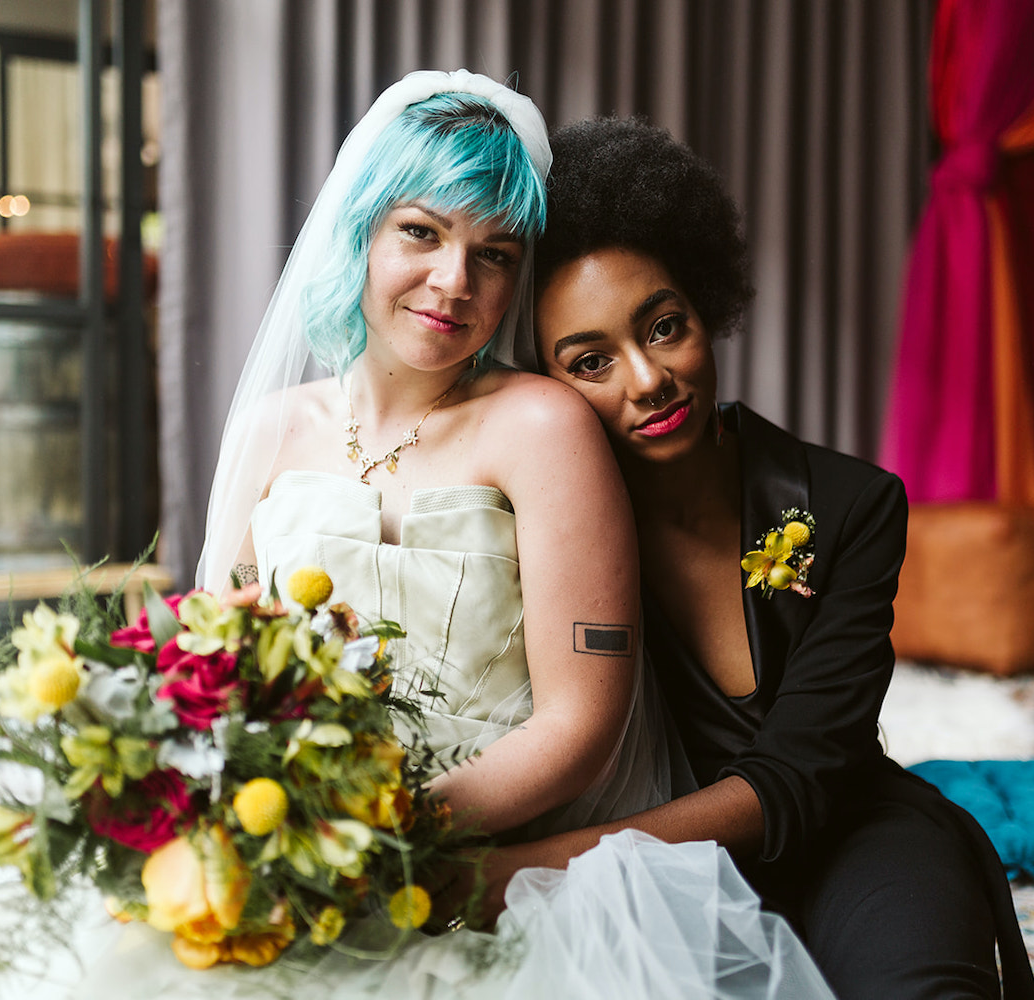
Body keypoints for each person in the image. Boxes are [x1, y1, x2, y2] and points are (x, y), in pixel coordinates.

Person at [188, 73, 830, 999]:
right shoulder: (269, 431)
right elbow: (222, 669)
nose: (455, 282)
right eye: (421, 231)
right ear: (359, 227)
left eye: (495, 254)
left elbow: (584, 723)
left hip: (505, 862)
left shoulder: (543, 425)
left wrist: (392, 833)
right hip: (306, 838)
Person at [506, 115, 1034, 1000]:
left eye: (663, 326)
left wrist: (534, 868)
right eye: (591, 361)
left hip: (850, 834)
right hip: (657, 874)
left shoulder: (853, 506)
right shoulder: (545, 529)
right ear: (545, 385)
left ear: (706, 308)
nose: (647, 379)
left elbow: (799, 780)